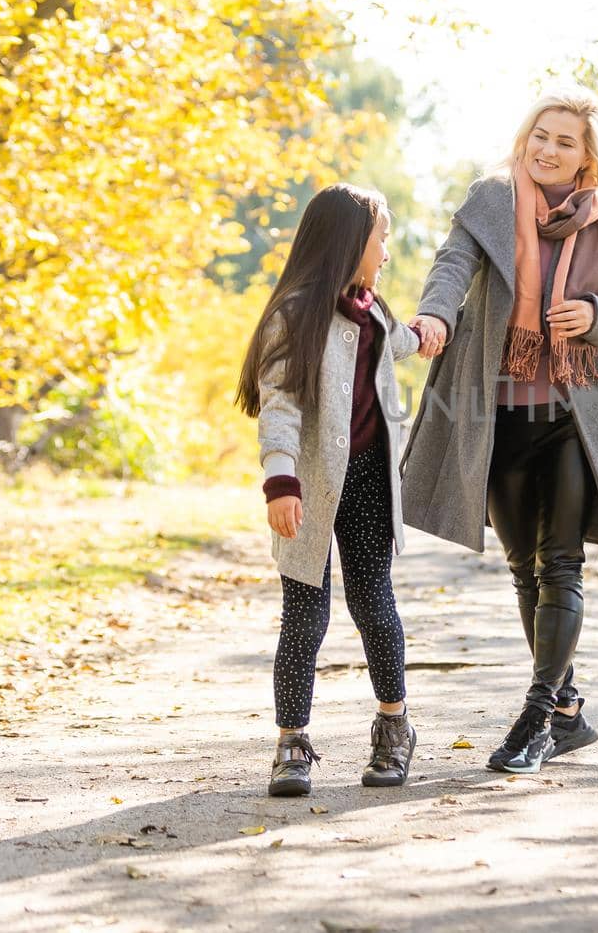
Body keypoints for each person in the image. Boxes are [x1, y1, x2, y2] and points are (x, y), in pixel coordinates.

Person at [401, 86, 598, 774]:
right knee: (522, 568)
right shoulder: (491, 201)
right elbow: (451, 267)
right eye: (541, 133)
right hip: (494, 411)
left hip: (572, 415)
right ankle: (565, 710)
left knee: (560, 562)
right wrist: (436, 317)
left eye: (565, 140)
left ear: (587, 157)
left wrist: (592, 316)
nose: (547, 148)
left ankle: (535, 716)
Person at [234, 183, 425, 796]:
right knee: (304, 617)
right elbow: (280, 406)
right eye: (381, 241)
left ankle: (394, 728)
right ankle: (291, 742)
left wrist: (431, 331)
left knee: (374, 603)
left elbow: (400, 343)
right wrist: (280, 480)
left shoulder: (374, 311)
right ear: (349, 245)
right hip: (309, 488)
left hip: (368, 481)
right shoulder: (295, 315)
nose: (386, 255)